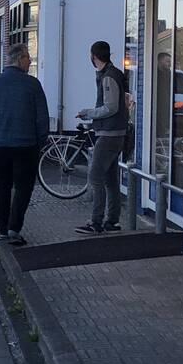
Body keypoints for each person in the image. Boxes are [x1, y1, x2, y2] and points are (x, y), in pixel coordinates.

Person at [0, 43, 49, 246]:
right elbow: (42, 117)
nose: (30, 61)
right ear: (20, 60)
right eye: (28, 58)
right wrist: (39, 141)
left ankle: (1, 228)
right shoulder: (32, 84)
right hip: (26, 145)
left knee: (2, 186)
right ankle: (14, 228)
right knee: (24, 188)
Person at [74, 41, 130, 235]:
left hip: (108, 135)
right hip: (116, 133)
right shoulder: (114, 74)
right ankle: (111, 221)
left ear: (94, 56)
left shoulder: (108, 77)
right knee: (111, 180)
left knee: (95, 178)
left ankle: (96, 222)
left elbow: (110, 107)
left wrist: (88, 113)